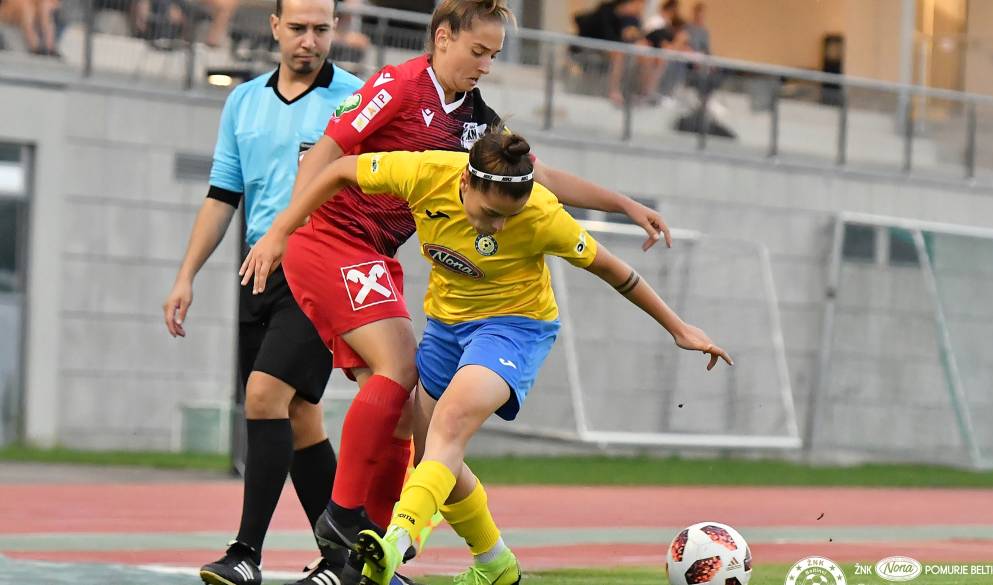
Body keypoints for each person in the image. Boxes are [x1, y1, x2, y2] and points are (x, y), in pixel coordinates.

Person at [242, 0, 672, 582]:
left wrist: (622, 204)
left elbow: (541, 176)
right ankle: (342, 521)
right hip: (332, 239)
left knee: (402, 411)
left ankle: (371, 559)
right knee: (397, 371)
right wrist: (279, 232)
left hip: (374, 253)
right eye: (478, 51)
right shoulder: (397, 85)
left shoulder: (477, 122)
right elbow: (326, 154)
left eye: (494, 55)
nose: (486, 65)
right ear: (442, 38)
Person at [240, 130, 733, 585]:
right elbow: (339, 169)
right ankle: (496, 563)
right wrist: (283, 229)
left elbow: (615, 270)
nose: (497, 225)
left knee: (450, 423)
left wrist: (679, 328)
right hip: (446, 327)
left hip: (515, 328)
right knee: (436, 455)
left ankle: (396, 541)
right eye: (490, 212)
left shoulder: (542, 215)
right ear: (464, 182)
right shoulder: (424, 173)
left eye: (508, 217)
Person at [159, 0, 387, 584]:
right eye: (299, 28)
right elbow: (222, 196)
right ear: (275, 27)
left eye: (321, 29)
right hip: (257, 270)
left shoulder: (359, 99)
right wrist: (186, 275)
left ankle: (246, 554)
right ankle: (348, 560)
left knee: (263, 397)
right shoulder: (243, 100)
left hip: (322, 270)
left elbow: (381, 191)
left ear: (336, 29)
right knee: (300, 416)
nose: (309, 40)